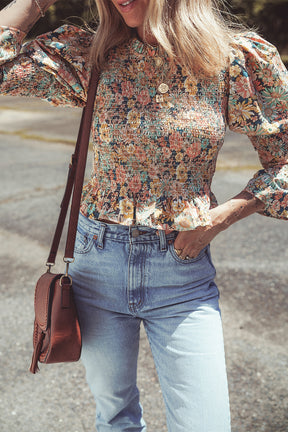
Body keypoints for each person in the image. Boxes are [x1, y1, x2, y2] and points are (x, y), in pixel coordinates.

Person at [1, 0, 287, 431]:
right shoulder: (91, 54)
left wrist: (223, 216)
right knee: (114, 417)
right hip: (97, 262)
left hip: (181, 271)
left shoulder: (233, 60)